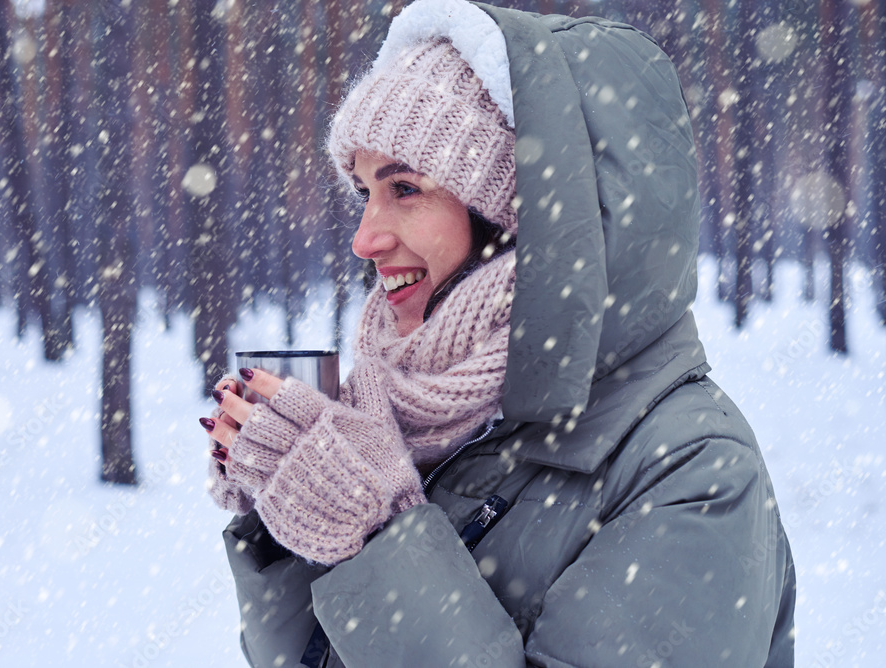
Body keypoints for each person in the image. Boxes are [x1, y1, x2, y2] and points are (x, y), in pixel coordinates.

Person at [200, 1, 796, 665]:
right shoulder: (432, 421)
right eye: (364, 191)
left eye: (404, 189)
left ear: (522, 216)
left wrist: (376, 536)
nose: (363, 238)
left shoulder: (694, 469)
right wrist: (290, 509)